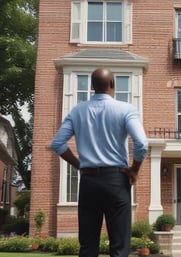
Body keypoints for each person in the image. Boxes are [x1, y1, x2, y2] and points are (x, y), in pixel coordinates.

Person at [50, 68, 148, 257]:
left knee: (87, 246)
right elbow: (141, 143)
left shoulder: (77, 111)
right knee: (119, 246)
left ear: (92, 86)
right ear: (113, 84)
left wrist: (80, 165)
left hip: (89, 182)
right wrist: (134, 169)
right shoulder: (126, 110)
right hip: (116, 181)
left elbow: (58, 144)